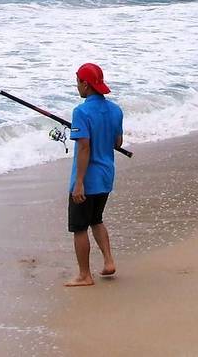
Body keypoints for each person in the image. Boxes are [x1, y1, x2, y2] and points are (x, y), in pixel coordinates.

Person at [64, 62, 123, 287]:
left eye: (78, 82)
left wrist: (79, 183)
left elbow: (84, 148)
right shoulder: (115, 110)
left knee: (79, 227)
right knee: (96, 219)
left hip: (87, 179)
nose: (77, 86)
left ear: (86, 85)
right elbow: (118, 142)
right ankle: (108, 261)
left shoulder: (81, 112)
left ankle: (84, 275)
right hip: (106, 176)